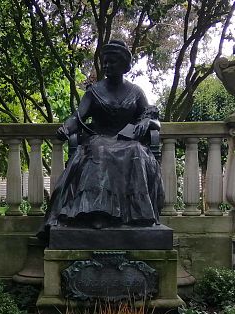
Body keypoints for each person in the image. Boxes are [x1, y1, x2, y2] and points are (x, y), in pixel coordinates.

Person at [40, 39, 164, 239]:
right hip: (99, 139)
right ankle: (97, 212)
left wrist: (147, 121)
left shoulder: (136, 92)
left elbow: (153, 118)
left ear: (124, 65)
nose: (106, 65)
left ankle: (139, 214)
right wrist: (65, 128)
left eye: (112, 62)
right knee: (99, 150)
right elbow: (77, 118)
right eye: (105, 61)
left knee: (138, 152)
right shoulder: (94, 92)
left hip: (127, 142)